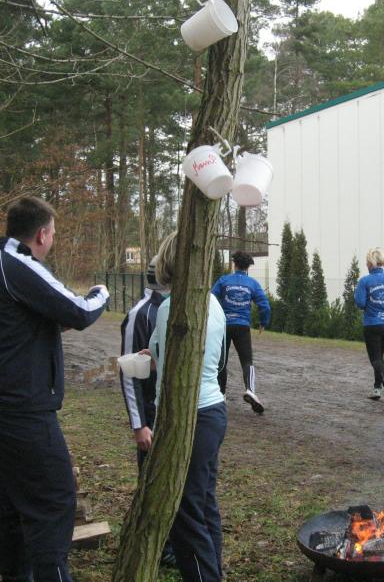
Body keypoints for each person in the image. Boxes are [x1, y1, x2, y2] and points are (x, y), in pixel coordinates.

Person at [0, 196, 109, 582]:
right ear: (42, 234)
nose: (53, 240)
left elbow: (16, 327)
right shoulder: (20, 264)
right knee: (54, 500)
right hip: (21, 411)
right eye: (54, 234)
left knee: (11, 501)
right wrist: (101, 292)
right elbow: (80, 310)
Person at [146, 233, 227, 582]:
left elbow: (165, 363)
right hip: (213, 413)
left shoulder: (171, 308)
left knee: (184, 510)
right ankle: (213, 572)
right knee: (203, 503)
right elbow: (215, 362)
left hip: (190, 416)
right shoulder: (215, 303)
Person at [119, 255, 176, 567]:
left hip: (173, 412)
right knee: (152, 481)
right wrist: (139, 424)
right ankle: (155, 545)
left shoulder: (176, 308)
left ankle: (174, 540)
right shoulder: (139, 314)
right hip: (150, 417)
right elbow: (128, 373)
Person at [211, 251, 271, 413]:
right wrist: (263, 322)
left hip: (224, 326)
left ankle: (221, 394)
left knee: (221, 362)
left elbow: (211, 299)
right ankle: (250, 390)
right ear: (248, 267)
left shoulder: (224, 280)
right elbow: (264, 305)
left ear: (234, 264)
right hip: (243, 326)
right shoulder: (252, 283)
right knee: (247, 361)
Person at [354, 247, 384, 400]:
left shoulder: (365, 281)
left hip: (372, 325)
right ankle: (376, 388)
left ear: (370, 263)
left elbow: (360, 303)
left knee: (375, 359)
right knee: (379, 357)